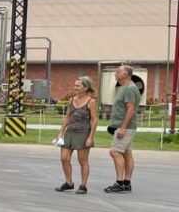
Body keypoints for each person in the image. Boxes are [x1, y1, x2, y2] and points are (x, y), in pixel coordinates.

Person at [54, 76, 97, 194]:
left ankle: (83, 185)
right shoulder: (71, 100)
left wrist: (90, 137)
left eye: (78, 86)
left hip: (83, 133)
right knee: (64, 158)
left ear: (86, 87)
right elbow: (68, 117)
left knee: (82, 160)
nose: (75, 87)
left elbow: (94, 120)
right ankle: (69, 183)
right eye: (75, 85)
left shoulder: (91, 101)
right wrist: (61, 132)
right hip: (70, 132)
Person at [104, 65, 140, 193]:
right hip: (125, 126)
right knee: (126, 153)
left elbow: (130, 109)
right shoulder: (126, 88)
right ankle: (126, 183)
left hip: (124, 127)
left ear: (126, 74)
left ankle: (119, 183)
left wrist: (123, 128)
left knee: (114, 152)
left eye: (118, 71)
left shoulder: (129, 89)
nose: (115, 73)